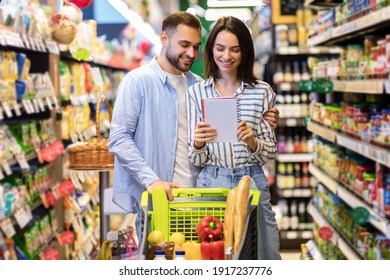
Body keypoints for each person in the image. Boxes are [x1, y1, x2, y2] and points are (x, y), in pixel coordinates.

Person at [108, 11, 279, 243]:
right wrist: (151, 180)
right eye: (184, 44)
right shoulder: (138, 81)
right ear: (164, 39)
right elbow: (118, 138)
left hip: (200, 197)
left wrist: (263, 118)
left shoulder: (198, 86)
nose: (190, 53)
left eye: (196, 46)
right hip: (161, 199)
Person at [186, 16, 281, 260]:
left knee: (265, 255)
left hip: (252, 180)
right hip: (212, 181)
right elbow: (194, 156)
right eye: (220, 48)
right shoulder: (197, 92)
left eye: (235, 49)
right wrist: (198, 142)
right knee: (213, 257)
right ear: (211, 50)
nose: (226, 56)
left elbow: (270, 152)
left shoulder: (262, 92)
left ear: (245, 52)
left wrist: (252, 141)